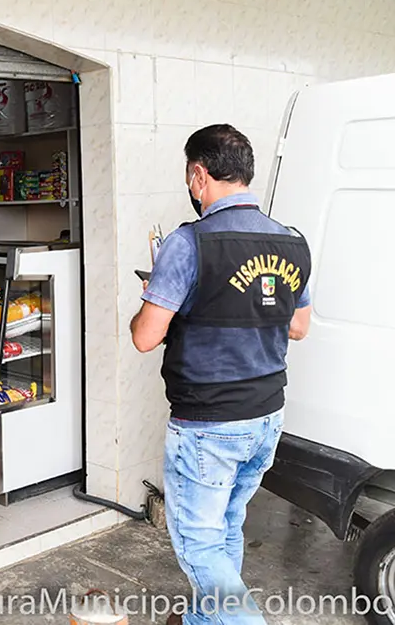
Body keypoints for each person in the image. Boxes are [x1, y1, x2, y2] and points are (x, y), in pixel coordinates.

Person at [129, 124, 312, 625]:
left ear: (198, 174)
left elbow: (146, 336)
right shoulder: (292, 242)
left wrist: (155, 296)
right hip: (266, 417)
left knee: (199, 544)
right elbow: (298, 327)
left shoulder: (188, 244)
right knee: (227, 525)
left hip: (209, 424)